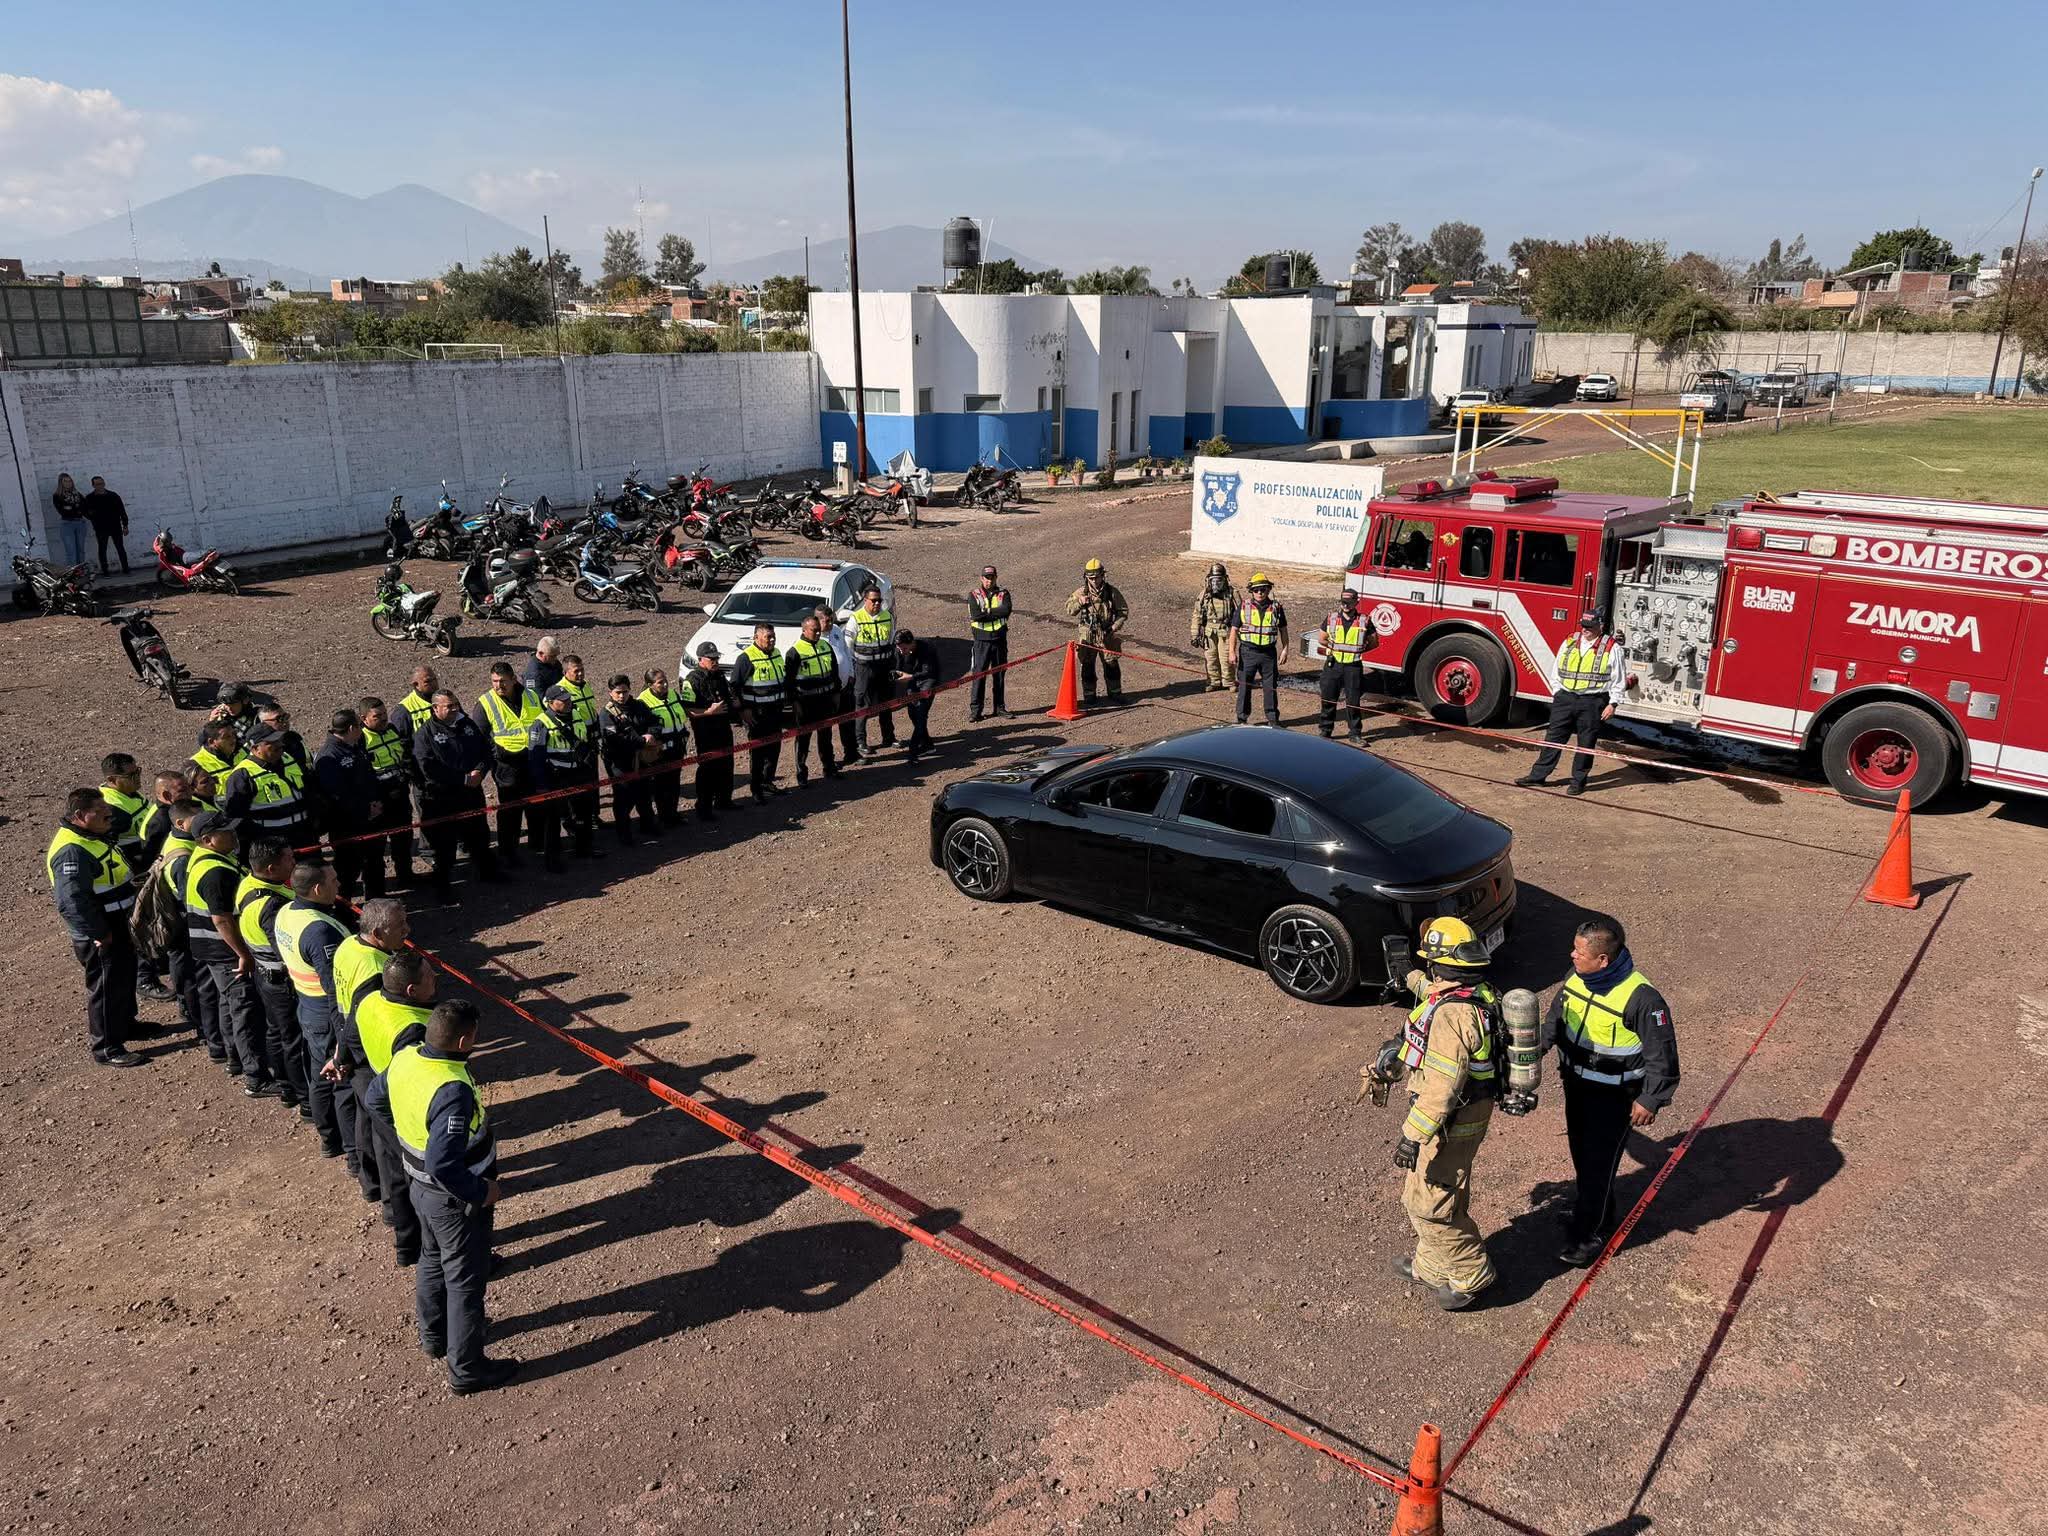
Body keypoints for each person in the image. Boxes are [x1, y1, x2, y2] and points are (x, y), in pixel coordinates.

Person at [376, 998, 517, 1394]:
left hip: (420, 1190)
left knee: (432, 1258)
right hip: (454, 1200)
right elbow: (443, 1164)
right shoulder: (452, 1090)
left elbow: (374, 1098)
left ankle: (434, 1336)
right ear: (462, 1041)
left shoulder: (406, 1058)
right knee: (465, 1282)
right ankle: (467, 1369)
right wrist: (481, 1191)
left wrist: (408, 1148)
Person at [1541, 914, 1679, 1267]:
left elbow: (1662, 1054)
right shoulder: (1576, 977)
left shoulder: (1642, 999)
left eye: (1579, 952)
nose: (1572, 955)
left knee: (1598, 1165)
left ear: (1602, 959)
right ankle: (1591, 1210)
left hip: (1614, 1097)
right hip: (1576, 1085)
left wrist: (1651, 1098)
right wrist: (1536, 1046)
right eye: (1574, 949)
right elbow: (1556, 1018)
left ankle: (1592, 1233)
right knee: (1581, 1154)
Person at [1382, 917, 1505, 1311]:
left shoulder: (1452, 1017)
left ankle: (1472, 1274)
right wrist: (1408, 973)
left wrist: (1412, 1135)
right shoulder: (1476, 991)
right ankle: (1432, 1267)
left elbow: (1442, 1086)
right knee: (1431, 1191)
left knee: (1429, 1202)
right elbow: (1431, 989)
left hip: (1452, 1119)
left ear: (1439, 964)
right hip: (1464, 1112)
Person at [335, 949, 436, 1266]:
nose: (435, 977)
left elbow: (349, 1036)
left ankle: (406, 1245)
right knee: (423, 1182)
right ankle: (433, 1248)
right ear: (412, 990)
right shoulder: (415, 1029)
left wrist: (341, 1061)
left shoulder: (369, 1000)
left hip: (376, 1093)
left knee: (393, 1172)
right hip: (402, 1109)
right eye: (429, 975)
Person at [183, 811, 282, 1095]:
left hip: (211, 949)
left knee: (229, 1004)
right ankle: (256, 1077)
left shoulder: (202, 859)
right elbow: (222, 920)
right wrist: (243, 954)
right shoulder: (215, 872)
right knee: (245, 1010)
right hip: (225, 951)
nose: (233, 834)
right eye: (225, 832)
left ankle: (235, 1058)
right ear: (207, 840)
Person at [46, 787, 143, 1067]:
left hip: (117, 923)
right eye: (100, 811)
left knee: (123, 977)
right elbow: (71, 902)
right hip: (102, 931)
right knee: (106, 986)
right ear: (79, 816)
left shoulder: (92, 836)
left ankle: (126, 1026)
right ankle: (108, 1047)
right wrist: (99, 933)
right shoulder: (72, 851)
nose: (108, 814)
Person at [325, 898, 411, 1204]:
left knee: (364, 1118)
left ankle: (370, 1182)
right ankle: (393, 1202)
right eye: (400, 926)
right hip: (368, 1053)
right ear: (377, 933)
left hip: (352, 1048)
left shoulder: (349, 946)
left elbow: (334, 995)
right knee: (385, 1133)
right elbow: (357, 1019)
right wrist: (342, 1057)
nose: (407, 930)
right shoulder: (376, 970)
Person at [274, 861, 354, 1158]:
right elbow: (335, 987)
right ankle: (349, 1149)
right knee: (341, 1080)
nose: (339, 885)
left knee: (319, 1075)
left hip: (307, 1005)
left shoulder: (287, 912)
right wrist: (344, 1032)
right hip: (326, 1012)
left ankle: (329, 1137)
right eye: (333, 881)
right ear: (318, 889)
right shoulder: (320, 930)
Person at [1515, 613, 1628, 797]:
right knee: (1553, 738)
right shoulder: (1570, 641)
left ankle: (1578, 782)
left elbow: (1619, 679)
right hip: (1565, 698)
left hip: (1592, 701)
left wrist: (1613, 703)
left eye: (1589, 626)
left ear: (1600, 626)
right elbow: (1557, 667)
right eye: (1583, 625)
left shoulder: (1611, 647)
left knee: (1585, 743)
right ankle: (1537, 776)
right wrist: (1557, 692)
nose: (1584, 629)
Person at [234, 836, 305, 1114]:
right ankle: (303, 1096)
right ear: (272, 868)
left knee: (276, 1033)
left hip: (264, 975)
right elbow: (286, 949)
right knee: (293, 1040)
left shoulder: (249, 884)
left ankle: (286, 1088)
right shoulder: (272, 906)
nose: (294, 862)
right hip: (281, 981)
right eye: (289, 859)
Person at [414, 688, 499, 902]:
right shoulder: (426, 733)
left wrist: (480, 771)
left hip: (472, 793)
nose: (454, 709)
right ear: (435, 708)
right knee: (444, 846)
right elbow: (427, 768)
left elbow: (485, 749)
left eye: (455, 705)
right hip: (443, 798)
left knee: (479, 834)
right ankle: (443, 888)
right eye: (449, 706)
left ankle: (487, 872)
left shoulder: (466, 724)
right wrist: (462, 779)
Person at [472, 664, 544, 863]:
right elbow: (479, 737)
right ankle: (508, 852)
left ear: (513, 679)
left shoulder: (531, 696)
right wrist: (496, 753)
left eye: (503, 681)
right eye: (494, 681)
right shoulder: (485, 703)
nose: (498, 685)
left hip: (532, 760)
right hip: (506, 765)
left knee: (536, 805)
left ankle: (537, 844)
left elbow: (542, 723)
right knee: (510, 811)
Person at [313, 709, 383, 899]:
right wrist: (365, 810)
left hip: (371, 818)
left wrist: (376, 802)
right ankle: (344, 911)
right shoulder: (329, 756)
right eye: (359, 725)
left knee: (375, 862)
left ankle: (377, 903)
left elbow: (369, 776)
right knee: (347, 870)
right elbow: (336, 794)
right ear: (352, 728)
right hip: (346, 824)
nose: (362, 728)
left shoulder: (356, 745)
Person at [530, 685, 600, 869]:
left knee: (583, 813)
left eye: (568, 699)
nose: (568, 702)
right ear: (550, 703)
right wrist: (542, 785)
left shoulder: (576, 714)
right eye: (563, 700)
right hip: (556, 776)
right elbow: (536, 758)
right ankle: (553, 859)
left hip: (579, 773)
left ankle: (584, 848)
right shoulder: (541, 723)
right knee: (553, 819)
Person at [220, 724, 313, 848]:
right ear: (255, 748)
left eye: (279, 740)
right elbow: (236, 817)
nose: (279, 744)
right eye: (272, 742)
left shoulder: (288, 759)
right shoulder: (242, 775)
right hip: (274, 845)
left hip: (304, 837)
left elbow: (307, 789)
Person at [357, 697, 415, 892]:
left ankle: (406, 877)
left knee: (403, 841)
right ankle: (375, 890)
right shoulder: (361, 740)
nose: (383, 718)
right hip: (379, 803)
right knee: (375, 848)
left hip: (399, 797)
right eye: (377, 716)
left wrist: (406, 775)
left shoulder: (391, 730)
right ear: (364, 719)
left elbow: (404, 755)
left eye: (384, 714)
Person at [599, 673, 662, 844]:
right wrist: (642, 741)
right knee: (623, 798)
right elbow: (615, 739)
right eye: (618, 692)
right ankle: (624, 833)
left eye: (625, 692)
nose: (622, 696)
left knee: (645, 793)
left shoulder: (639, 706)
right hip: (620, 762)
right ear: (610, 693)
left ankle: (647, 825)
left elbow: (655, 721)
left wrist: (652, 734)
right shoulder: (606, 714)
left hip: (641, 759)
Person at [680, 642, 737, 820]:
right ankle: (704, 808)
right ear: (700, 660)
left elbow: (727, 697)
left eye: (716, 658)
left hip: (723, 728)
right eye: (711, 658)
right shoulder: (692, 680)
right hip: (706, 732)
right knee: (708, 770)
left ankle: (724, 800)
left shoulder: (719, 675)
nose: (715, 661)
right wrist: (708, 712)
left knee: (726, 765)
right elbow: (688, 710)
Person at [1314, 588, 1380, 740]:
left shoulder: (1364, 620)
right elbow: (1322, 638)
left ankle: (1355, 733)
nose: (1345, 605)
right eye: (1343, 602)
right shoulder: (1331, 618)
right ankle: (1325, 731)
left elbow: (1374, 642)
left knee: (1353, 702)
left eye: (1349, 602)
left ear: (1356, 602)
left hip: (1353, 667)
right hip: (1334, 664)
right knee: (1328, 699)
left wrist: (1358, 650)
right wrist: (1335, 648)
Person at [731, 624, 787, 802]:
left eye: (773, 636)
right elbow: (734, 687)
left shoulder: (777, 653)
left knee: (774, 750)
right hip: (757, 715)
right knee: (758, 753)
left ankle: (767, 783)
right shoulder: (746, 658)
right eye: (768, 637)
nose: (772, 640)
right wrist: (743, 711)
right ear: (756, 638)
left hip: (775, 712)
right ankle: (756, 789)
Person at [786, 614, 843, 784]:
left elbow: (834, 673)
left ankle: (829, 767)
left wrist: (836, 694)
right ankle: (801, 774)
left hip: (825, 700)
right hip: (805, 703)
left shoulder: (825, 646)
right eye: (814, 630)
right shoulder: (795, 652)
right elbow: (789, 682)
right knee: (803, 739)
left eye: (819, 630)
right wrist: (795, 704)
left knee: (826, 736)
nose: (818, 633)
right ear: (804, 630)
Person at [1065, 558, 1129, 705]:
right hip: (1087, 635)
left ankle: (1115, 693)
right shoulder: (1081, 593)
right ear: (1086, 577)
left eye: (1097, 577)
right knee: (1087, 666)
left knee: (1112, 665)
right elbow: (1069, 610)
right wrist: (1079, 602)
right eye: (1091, 578)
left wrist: (1114, 627)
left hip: (1107, 634)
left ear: (1103, 575)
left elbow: (1123, 611)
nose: (1094, 581)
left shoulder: (1111, 592)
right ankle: (1089, 695)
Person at [1230, 573, 1288, 728]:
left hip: (1268, 654)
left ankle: (1273, 719)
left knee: (1270, 688)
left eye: (1263, 589)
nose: (1260, 592)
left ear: (1268, 589)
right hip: (1248, 653)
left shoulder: (1276, 608)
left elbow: (1283, 630)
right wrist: (1231, 652)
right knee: (1244, 687)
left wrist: (1285, 649)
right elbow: (1234, 629)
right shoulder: (1244, 606)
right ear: (1251, 591)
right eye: (1256, 590)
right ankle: (1241, 719)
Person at [637, 669, 691, 825]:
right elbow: (642, 728)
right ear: (650, 685)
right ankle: (665, 817)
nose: (665, 684)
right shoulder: (642, 702)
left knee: (674, 782)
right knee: (661, 785)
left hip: (677, 747)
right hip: (660, 751)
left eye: (665, 680)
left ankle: (673, 814)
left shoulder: (672, 694)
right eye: (660, 682)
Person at [849, 585, 897, 756]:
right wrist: (852, 670)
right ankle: (860, 742)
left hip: (883, 667)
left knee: (886, 702)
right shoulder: (856, 618)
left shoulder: (887, 617)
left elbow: (891, 640)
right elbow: (848, 646)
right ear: (865, 600)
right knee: (862, 705)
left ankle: (888, 737)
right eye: (873, 600)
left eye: (879, 600)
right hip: (864, 668)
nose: (877, 603)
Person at [814, 604, 860, 765]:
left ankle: (851, 753)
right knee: (825, 729)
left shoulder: (835, 630)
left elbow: (846, 651)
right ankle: (829, 763)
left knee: (848, 722)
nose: (829, 624)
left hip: (845, 687)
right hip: (827, 693)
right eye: (825, 621)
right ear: (817, 621)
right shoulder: (814, 640)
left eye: (831, 620)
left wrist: (851, 674)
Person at [967, 565, 1012, 720]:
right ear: (981, 578)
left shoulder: (1003, 593)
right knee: (979, 676)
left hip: (999, 640)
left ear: (996, 578)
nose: (989, 581)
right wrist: (995, 613)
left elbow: (1006, 610)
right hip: (981, 642)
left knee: (999, 675)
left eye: (992, 578)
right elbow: (976, 616)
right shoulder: (974, 595)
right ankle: (976, 711)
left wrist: (987, 612)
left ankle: (999, 708)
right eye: (986, 578)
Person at [1189, 562, 1237, 692]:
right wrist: (1195, 634)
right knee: (1211, 658)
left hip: (1225, 631)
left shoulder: (1232, 594)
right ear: (1209, 580)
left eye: (1219, 580)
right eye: (1214, 580)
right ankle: (1213, 681)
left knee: (1226, 658)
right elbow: (1197, 615)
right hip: (1209, 632)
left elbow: (1240, 613)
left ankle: (1229, 682)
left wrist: (1241, 632)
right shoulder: (1204, 595)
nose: (1216, 583)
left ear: (1225, 580)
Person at [893, 628, 942, 756]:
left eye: (904, 648)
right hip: (913, 681)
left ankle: (913, 751)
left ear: (911, 643)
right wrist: (896, 674)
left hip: (928, 680)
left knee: (921, 713)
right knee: (913, 713)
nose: (901, 651)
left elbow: (928, 671)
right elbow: (898, 666)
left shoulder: (927, 648)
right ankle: (927, 744)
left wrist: (910, 676)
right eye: (899, 649)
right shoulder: (900, 649)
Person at [83, 475, 130, 575]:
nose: (100, 486)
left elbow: (122, 511)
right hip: (100, 527)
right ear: (93, 486)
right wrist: (94, 519)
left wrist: (125, 525)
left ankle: (126, 569)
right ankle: (105, 571)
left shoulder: (113, 496)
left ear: (104, 483)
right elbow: (85, 512)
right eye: (97, 484)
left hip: (115, 526)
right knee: (102, 549)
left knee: (120, 548)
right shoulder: (90, 498)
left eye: (101, 483)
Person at [202, 682, 261, 753]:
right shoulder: (223, 716)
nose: (229, 708)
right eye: (226, 704)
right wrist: (212, 723)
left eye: (233, 704)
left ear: (245, 700)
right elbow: (202, 741)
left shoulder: (258, 716)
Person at [51, 471, 89, 570]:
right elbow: (63, 511)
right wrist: (75, 508)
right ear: (61, 483)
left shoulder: (77, 494)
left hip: (80, 523)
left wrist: (71, 507)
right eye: (65, 481)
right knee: (71, 551)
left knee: (80, 550)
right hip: (67, 524)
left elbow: (84, 507)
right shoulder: (57, 496)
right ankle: (73, 572)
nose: (68, 483)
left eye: (70, 481)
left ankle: (81, 571)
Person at [192, 718, 241, 785]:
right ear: (211, 742)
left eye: (233, 734)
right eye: (226, 737)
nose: (233, 739)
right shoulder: (196, 765)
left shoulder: (242, 752)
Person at [557, 653, 597, 732]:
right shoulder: (559, 690)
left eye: (582, 669)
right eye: (576, 671)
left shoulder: (585, 685)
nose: (580, 673)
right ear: (565, 672)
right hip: (577, 734)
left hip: (593, 729)